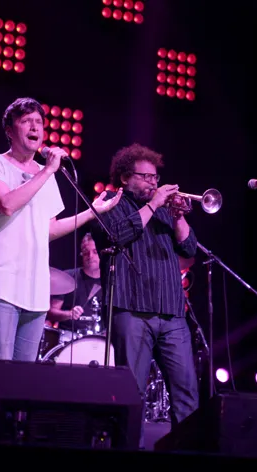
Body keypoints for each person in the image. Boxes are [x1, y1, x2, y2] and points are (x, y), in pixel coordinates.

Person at [0, 97, 122, 362]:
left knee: (25, 375)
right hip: (0, 285)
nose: (35, 127)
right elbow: (6, 204)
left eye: (39, 122)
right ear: (9, 130)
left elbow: (49, 230)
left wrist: (93, 211)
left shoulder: (46, 175)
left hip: (36, 290)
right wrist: (48, 170)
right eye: (26, 121)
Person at [89, 143, 199, 439]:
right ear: (125, 178)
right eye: (146, 177)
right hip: (131, 308)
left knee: (187, 394)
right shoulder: (109, 201)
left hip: (172, 312)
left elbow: (189, 248)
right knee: (131, 394)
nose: (153, 183)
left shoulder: (163, 210)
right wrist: (153, 205)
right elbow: (116, 235)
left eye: (155, 177)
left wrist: (178, 216)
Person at [48, 232, 103, 333]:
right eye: (86, 252)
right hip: (68, 336)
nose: (90, 256)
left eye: (95, 252)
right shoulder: (67, 278)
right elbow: (51, 312)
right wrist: (69, 314)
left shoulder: (110, 282)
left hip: (98, 339)